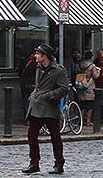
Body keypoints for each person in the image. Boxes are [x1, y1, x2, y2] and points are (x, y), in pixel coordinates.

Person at [23, 44, 69, 175]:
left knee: (55, 136)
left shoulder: (59, 71)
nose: (35, 56)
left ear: (45, 56)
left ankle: (59, 163)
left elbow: (64, 88)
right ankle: (34, 163)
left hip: (50, 108)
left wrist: (49, 96)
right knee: (32, 135)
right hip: (36, 107)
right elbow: (38, 86)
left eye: (38, 54)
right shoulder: (38, 68)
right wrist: (34, 96)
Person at [75, 50, 100, 126]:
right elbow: (95, 76)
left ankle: (81, 120)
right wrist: (98, 72)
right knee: (89, 105)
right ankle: (88, 121)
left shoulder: (79, 64)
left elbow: (76, 72)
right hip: (89, 86)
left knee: (82, 105)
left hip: (80, 84)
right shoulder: (92, 66)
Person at [19, 50, 37, 119]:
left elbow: (20, 71)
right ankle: (31, 117)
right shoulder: (37, 64)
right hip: (33, 84)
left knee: (25, 102)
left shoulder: (25, 62)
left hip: (24, 83)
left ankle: (27, 118)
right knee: (32, 102)